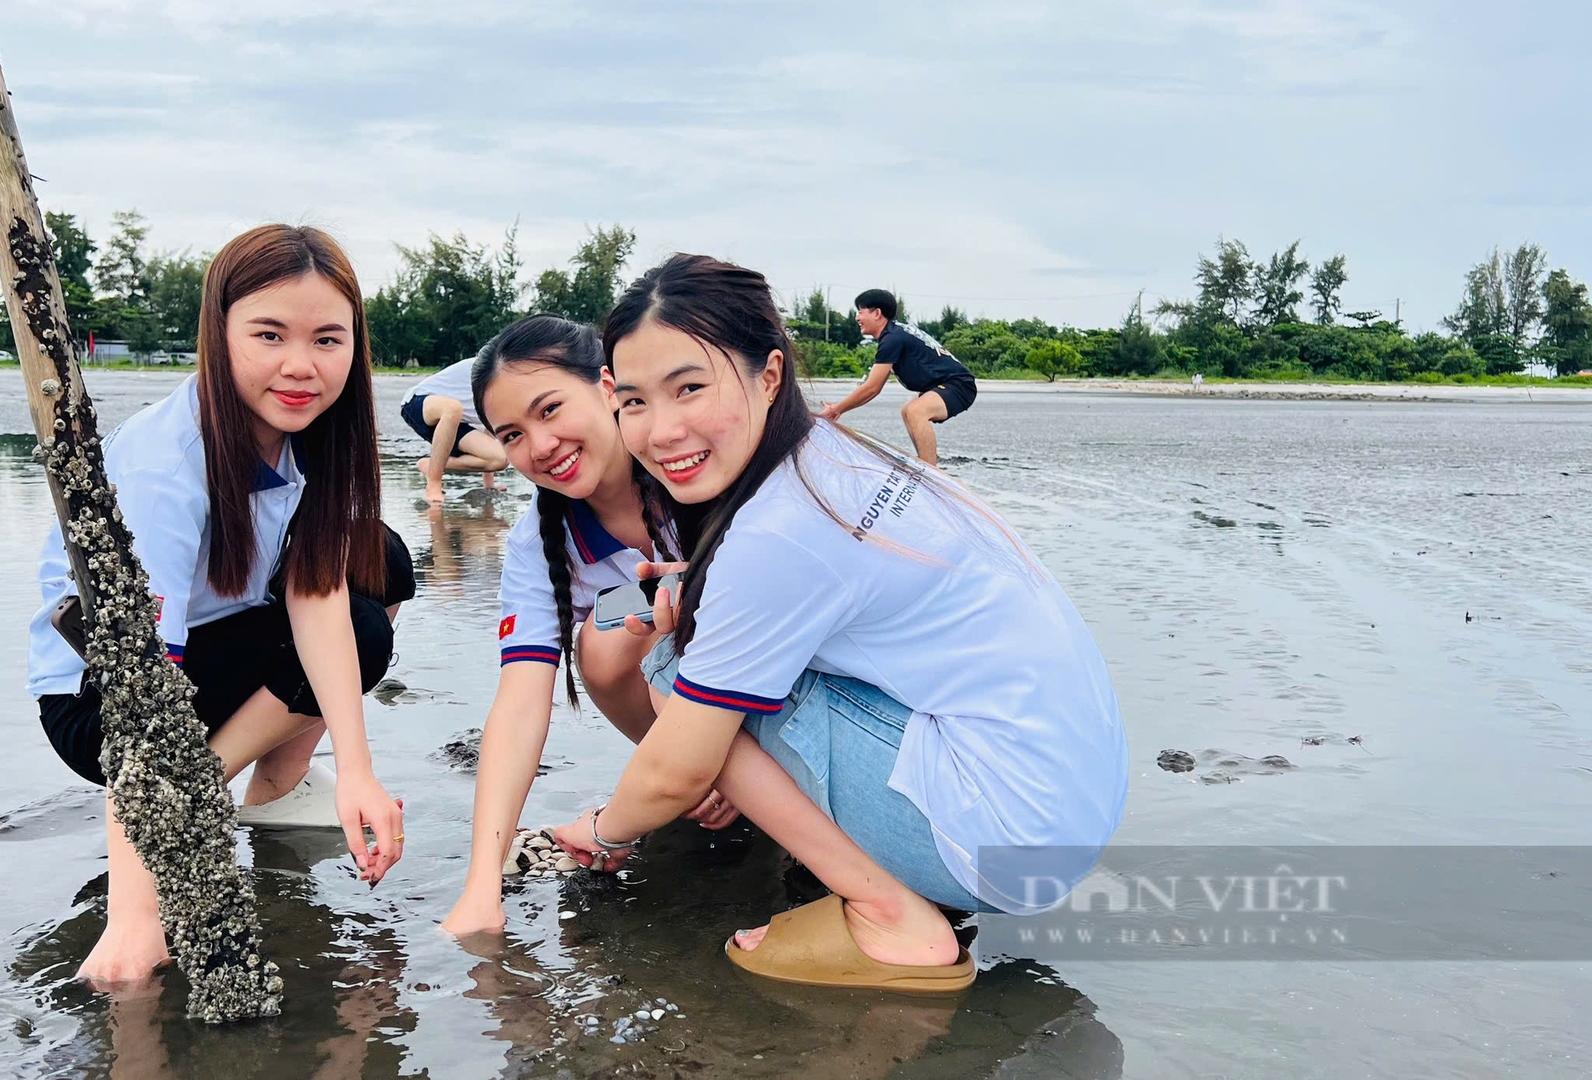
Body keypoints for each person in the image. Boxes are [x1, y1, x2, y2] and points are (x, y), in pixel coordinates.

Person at [549, 254, 1127, 992]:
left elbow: (676, 768)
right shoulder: (835, 457)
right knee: (707, 646)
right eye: (635, 401)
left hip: (1006, 841)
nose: (662, 430)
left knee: (673, 658)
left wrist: (603, 830)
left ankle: (890, 911)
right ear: (610, 397)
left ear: (769, 375)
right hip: (1076, 801)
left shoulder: (774, 531)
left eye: (691, 387)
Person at [26, 224, 415, 985]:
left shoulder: (309, 437)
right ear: (219, 330)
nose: (300, 366)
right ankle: (194, 799)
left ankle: (269, 788)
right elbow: (140, 693)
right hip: (97, 699)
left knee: (380, 568)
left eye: (328, 339)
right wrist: (135, 916)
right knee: (361, 626)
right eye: (269, 334)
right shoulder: (167, 467)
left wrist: (360, 771)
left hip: (204, 661)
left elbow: (318, 591)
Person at [441, 315, 735, 936]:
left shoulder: (694, 466)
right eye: (512, 434)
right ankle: (701, 778)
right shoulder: (537, 543)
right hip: (693, 717)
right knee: (602, 640)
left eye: (550, 410)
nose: (540, 446)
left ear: (607, 387)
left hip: (789, 686)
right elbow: (520, 704)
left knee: (663, 597)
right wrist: (481, 885)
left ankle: (726, 769)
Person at [818, 289, 976, 465]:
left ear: (877, 313)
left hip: (959, 385)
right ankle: (925, 462)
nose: (857, 318)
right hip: (948, 383)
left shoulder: (892, 338)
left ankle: (931, 471)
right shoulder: (894, 333)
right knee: (908, 410)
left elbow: (872, 388)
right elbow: (872, 385)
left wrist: (836, 409)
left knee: (916, 411)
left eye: (860, 312)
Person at [401, 356, 508, 504]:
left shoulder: (508, 395)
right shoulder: (492, 366)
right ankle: (434, 484)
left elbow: (490, 429)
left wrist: (488, 486)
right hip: (419, 404)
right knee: (453, 408)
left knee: (501, 459)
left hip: (455, 422)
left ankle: (430, 465)